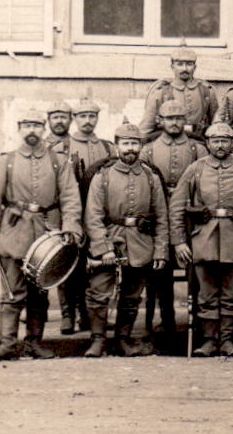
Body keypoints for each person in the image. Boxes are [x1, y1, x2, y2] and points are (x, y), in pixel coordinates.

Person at [0, 110, 82, 362]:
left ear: (44, 128)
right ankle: (7, 344)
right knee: (12, 292)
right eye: (27, 125)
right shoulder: (7, 161)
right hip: (13, 234)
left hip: (47, 236)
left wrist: (71, 227)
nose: (32, 130)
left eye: (36, 125)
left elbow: (70, 197)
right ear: (19, 129)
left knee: (40, 292)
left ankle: (34, 343)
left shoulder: (58, 161)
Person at [168, 123, 233, 358]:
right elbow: (176, 207)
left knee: (232, 292)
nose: (220, 145)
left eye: (225, 140)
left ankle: (228, 340)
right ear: (208, 143)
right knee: (206, 293)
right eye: (215, 140)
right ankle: (209, 340)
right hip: (203, 239)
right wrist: (179, 242)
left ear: (232, 143)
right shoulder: (195, 169)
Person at [82, 124, 169, 357]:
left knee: (132, 295)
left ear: (140, 146)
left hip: (141, 242)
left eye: (134, 143)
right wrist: (104, 248)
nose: (130, 148)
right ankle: (98, 340)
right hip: (110, 238)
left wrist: (160, 251)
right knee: (99, 293)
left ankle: (123, 339)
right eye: (126, 143)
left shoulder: (151, 177)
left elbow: (162, 216)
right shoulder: (103, 176)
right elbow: (93, 216)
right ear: (116, 146)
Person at [138, 99, 207, 337]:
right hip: (160, 214)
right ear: (160, 121)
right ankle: (166, 317)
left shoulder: (198, 149)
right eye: (169, 118)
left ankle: (199, 317)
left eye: (178, 118)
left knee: (196, 265)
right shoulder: (148, 150)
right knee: (160, 268)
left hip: (190, 215)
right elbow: (144, 184)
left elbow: (204, 181)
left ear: (185, 120)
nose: (174, 123)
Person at [50, 96, 115, 335]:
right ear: (74, 119)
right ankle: (68, 315)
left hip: (98, 214)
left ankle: (90, 316)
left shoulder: (107, 147)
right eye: (82, 116)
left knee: (96, 267)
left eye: (92, 116)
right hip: (71, 214)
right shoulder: (61, 147)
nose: (88, 120)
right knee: (68, 265)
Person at [139, 43, 218, 137]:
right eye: (180, 64)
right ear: (172, 67)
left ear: (195, 67)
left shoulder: (207, 91)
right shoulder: (161, 92)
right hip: (169, 140)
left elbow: (216, 125)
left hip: (198, 139)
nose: (185, 68)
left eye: (189, 64)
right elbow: (146, 128)